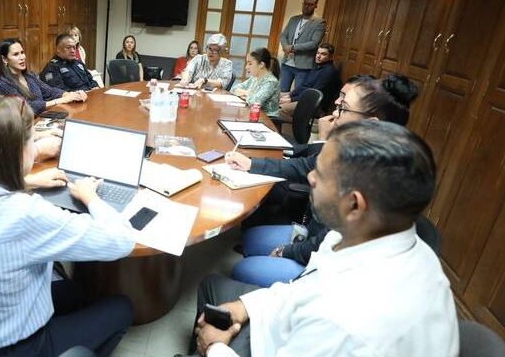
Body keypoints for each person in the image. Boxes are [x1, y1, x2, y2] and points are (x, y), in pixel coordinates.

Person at [191, 120, 459, 357]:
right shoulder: (366, 235)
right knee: (212, 286)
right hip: (288, 324)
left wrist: (215, 348)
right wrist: (245, 307)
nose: (310, 177)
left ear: (354, 204)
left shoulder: (348, 322)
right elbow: (305, 285)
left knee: (211, 322)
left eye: (319, 173)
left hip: (289, 341)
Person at [0, 94, 135, 356]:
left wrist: (30, 181)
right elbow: (121, 240)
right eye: (32, 141)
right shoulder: (24, 213)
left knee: (77, 293)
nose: (34, 149)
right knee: (121, 307)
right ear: (17, 152)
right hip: (13, 349)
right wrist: (90, 197)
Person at [227, 74, 419, 287]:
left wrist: (286, 252)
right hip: (313, 236)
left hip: (326, 266)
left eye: (343, 107)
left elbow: (327, 243)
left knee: (242, 269)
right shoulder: (353, 149)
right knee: (251, 240)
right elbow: (307, 167)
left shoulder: (368, 178)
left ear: (371, 125)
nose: (335, 110)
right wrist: (251, 164)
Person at [0, 38, 87, 115]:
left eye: (22, 53)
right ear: (4, 59)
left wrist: (70, 94)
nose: (22, 57)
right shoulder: (1, 85)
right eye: (16, 54)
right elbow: (27, 108)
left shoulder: (30, 76)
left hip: (39, 121)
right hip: (20, 130)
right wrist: (61, 100)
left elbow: (50, 91)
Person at [278, 43, 340, 120]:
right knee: (275, 96)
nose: (318, 56)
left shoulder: (329, 71)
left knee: (280, 109)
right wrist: (290, 95)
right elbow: (304, 85)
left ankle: (293, 127)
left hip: (313, 103)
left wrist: (292, 99)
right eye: (318, 53)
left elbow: (313, 93)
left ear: (330, 57)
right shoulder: (317, 66)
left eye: (323, 54)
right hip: (304, 97)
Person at [278, 0, 326, 93]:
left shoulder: (319, 22)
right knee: (282, 91)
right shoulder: (293, 19)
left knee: (298, 94)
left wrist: (293, 47)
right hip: (287, 63)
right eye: (305, 4)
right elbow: (283, 36)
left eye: (310, 4)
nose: (307, 6)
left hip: (304, 66)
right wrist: (285, 47)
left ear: (315, 6)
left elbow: (314, 43)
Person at [230, 48, 280, 117]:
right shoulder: (254, 78)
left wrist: (244, 93)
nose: (246, 67)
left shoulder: (271, 82)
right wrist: (248, 93)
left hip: (267, 117)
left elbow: (254, 102)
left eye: (250, 64)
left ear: (261, 64)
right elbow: (234, 89)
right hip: (251, 113)